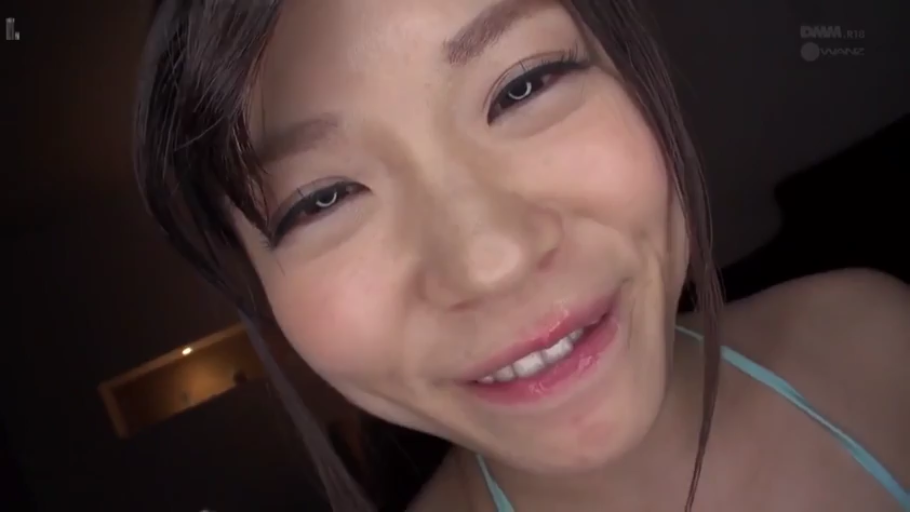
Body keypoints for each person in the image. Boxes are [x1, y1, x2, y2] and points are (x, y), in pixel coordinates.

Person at [134, 1, 910, 510]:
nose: (490, 262)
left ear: (632, 68)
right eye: (323, 199)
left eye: (524, 86)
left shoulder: (875, 338)